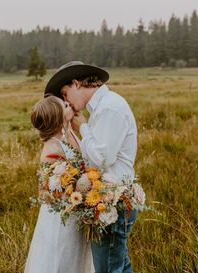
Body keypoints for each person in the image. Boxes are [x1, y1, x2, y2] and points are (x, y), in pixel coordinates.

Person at [45, 61, 138, 273]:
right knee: (119, 266)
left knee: (108, 269)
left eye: (65, 93)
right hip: (109, 200)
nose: (65, 100)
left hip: (114, 202)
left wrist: (83, 127)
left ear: (76, 83)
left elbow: (101, 159)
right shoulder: (102, 107)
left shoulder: (109, 107)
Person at [24, 95, 92, 273]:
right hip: (63, 216)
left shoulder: (69, 132)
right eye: (66, 106)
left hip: (78, 208)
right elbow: (50, 189)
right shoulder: (51, 149)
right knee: (62, 255)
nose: (70, 104)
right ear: (58, 117)